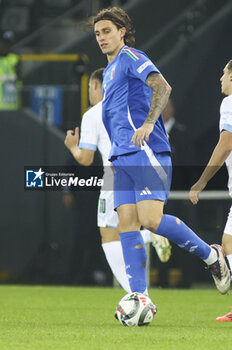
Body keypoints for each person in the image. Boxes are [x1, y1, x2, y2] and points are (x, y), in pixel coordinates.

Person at [93, 7, 230, 302]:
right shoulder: (107, 72)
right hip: (122, 157)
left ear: (121, 32)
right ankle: (140, 297)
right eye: (97, 33)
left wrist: (149, 123)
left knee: (151, 220)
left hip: (145, 151)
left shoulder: (131, 57)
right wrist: (114, 157)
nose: (101, 38)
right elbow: (114, 117)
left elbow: (162, 86)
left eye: (106, 31)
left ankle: (212, 256)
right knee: (127, 223)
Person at [64, 68, 171, 292]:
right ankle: (148, 240)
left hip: (115, 177)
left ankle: (137, 294)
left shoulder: (93, 113)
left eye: (89, 88)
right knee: (127, 228)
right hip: (144, 171)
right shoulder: (130, 105)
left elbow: (85, 158)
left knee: (109, 235)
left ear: (95, 86)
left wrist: (73, 147)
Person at [189, 59, 232, 320]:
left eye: (224, 73)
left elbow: (225, 144)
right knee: (228, 244)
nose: (220, 79)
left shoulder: (229, 103)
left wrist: (202, 181)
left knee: (228, 244)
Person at [0, 31, 21, 110]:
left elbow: (20, 80)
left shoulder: (15, 59)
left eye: (9, 44)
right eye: (4, 43)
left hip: (12, 106)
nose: (6, 47)